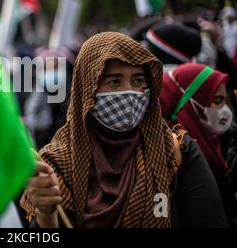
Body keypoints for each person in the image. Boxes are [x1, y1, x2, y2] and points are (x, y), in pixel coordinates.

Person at [20, 32, 227, 228]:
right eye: (114, 81)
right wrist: (47, 216)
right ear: (87, 89)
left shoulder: (174, 151)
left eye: (138, 81)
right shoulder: (57, 164)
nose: (130, 92)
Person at [160, 63, 237, 224]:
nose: (224, 109)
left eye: (224, 100)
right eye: (217, 101)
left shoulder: (216, 140)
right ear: (192, 103)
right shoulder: (177, 150)